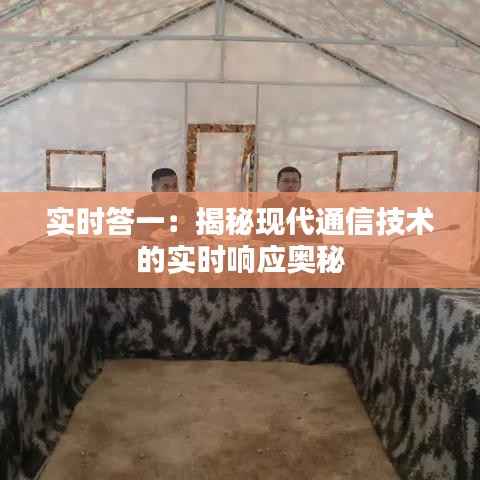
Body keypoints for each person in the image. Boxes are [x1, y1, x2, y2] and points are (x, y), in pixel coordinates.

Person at [255, 166, 323, 243]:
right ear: (278, 184)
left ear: (299, 186)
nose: (290, 185)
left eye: (294, 181)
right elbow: (257, 240)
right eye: (286, 181)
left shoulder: (308, 209)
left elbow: (318, 242)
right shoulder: (267, 208)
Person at [132, 168, 198, 241]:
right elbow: (134, 230)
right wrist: (151, 234)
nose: (172, 192)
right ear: (154, 189)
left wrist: (176, 234)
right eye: (165, 187)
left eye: (175, 186)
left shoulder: (189, 203)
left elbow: (197, 229)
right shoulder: (143, 204)